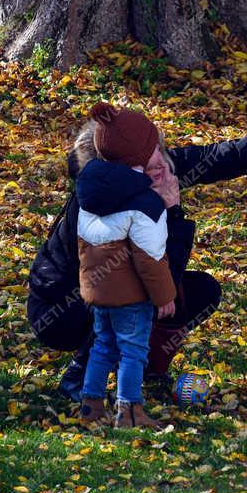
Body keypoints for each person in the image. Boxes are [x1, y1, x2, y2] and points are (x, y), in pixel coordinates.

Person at [27, 95, 247, 403]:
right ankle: (78, 382)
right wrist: (170, 211)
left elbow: (228, 155)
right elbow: (160, 278)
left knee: (201, 291)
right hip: (60, 313)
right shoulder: (105, 204)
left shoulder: (154, 162)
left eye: (159, 154)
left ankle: (146, 368)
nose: (162, 168)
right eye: (150, 166)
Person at [75, 101, 177, 428]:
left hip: (98, 290)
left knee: (103, 346)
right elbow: (150, 257)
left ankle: (90, 406)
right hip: (130, 297)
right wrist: (164, 297)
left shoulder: (91, 189)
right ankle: (129, 411)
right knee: (133, 352)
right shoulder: (144, 200)